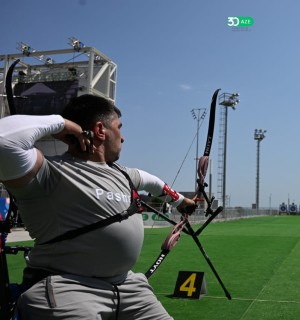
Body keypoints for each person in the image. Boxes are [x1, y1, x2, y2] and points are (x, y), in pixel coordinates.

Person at [0, 94, 196, 319]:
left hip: (128, 286)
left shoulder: (123, 173)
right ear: (101, 130)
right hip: (69, 288)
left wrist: (182, 202)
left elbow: (153, 182)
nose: (123, 138)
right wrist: (62, 124)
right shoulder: (48, 172)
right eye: (119, 128)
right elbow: (3, 139)